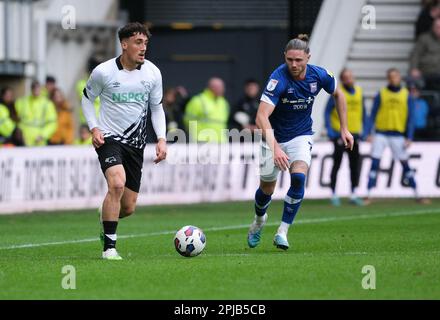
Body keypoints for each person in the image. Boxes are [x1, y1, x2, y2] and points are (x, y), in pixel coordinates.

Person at [247, 35, 354, 250]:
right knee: (266, 188)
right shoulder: (278, 79)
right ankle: (259, 221)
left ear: (308, 57)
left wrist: (344, 128)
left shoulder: (320, 75)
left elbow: (339, 95)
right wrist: (275, 147)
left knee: (298, 178)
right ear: (284, 58)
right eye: (289, 60)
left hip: (301, 135)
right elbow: (261, 117)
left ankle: (283, 231)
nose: (294, 65)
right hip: (273, 136)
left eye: (298, 60)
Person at [81, 22, 167, 260]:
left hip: (136, 144)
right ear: (124, 44)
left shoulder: (152, 73)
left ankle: (105, 214)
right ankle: (109, 248)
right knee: (116, 185)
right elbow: (87, 99)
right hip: (109, 138)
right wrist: (94, 127)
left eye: (146, 43)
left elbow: (156, 108)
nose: (143, 48)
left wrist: (161, 138)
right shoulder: (103, 72)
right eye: (138, 43)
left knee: (127, 207)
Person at [365, 68, 430, 204]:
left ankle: (417, 194)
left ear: (399, 78)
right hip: (381, 133)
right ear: (388, 78)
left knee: (405, 164)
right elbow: (373, 114)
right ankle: (368, 194)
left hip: (398, 135)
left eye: (395, 76)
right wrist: (368, 133)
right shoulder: (381, 94)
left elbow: (410, 118)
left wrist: (409, 136)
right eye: (391, 77)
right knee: (375, 163)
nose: (393, 79)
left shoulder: (406, 95)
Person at [324, 68, 367, 206]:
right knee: (337, 164)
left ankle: (353, 193)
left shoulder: (359, 92)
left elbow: (364, 112)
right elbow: (326, 112)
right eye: (346, 77)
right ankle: (333, 193)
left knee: (354, 165)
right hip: (339, 134)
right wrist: (330, 131)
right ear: (342, 79)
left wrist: (365, 131)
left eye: (350, 76)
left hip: (354, 134)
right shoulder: (337, 92)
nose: (349, 79)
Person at [184, 77, 230, 143]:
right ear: (211, 87)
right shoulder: (198, 101)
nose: (223, 89)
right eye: (219, 87)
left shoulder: (223, 102)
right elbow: (188, 120)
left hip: (221, 142)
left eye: (222, 87)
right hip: (203, 142)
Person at [15, 81, 58, 146]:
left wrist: (43, 135)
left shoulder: (47, 104)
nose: (35, 90)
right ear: (31, 89)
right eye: (33, 88)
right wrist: (19, 132)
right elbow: (16, 119)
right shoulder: (22, 102)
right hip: (23, 139)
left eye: (37, 88)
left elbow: (52, 123)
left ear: (41, 89)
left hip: (39, 139)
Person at [410, 18, 440, 90]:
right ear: (433, 27)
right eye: (437, 27)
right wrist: (414, 69)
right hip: (427, 72)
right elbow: (415, 54)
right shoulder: (424, 38)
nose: (439, 29)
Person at [77, 57, 101, 125]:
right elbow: (88, 97)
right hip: (86, 120)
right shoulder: (81, 84)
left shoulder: (102, 83)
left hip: (101, 120)